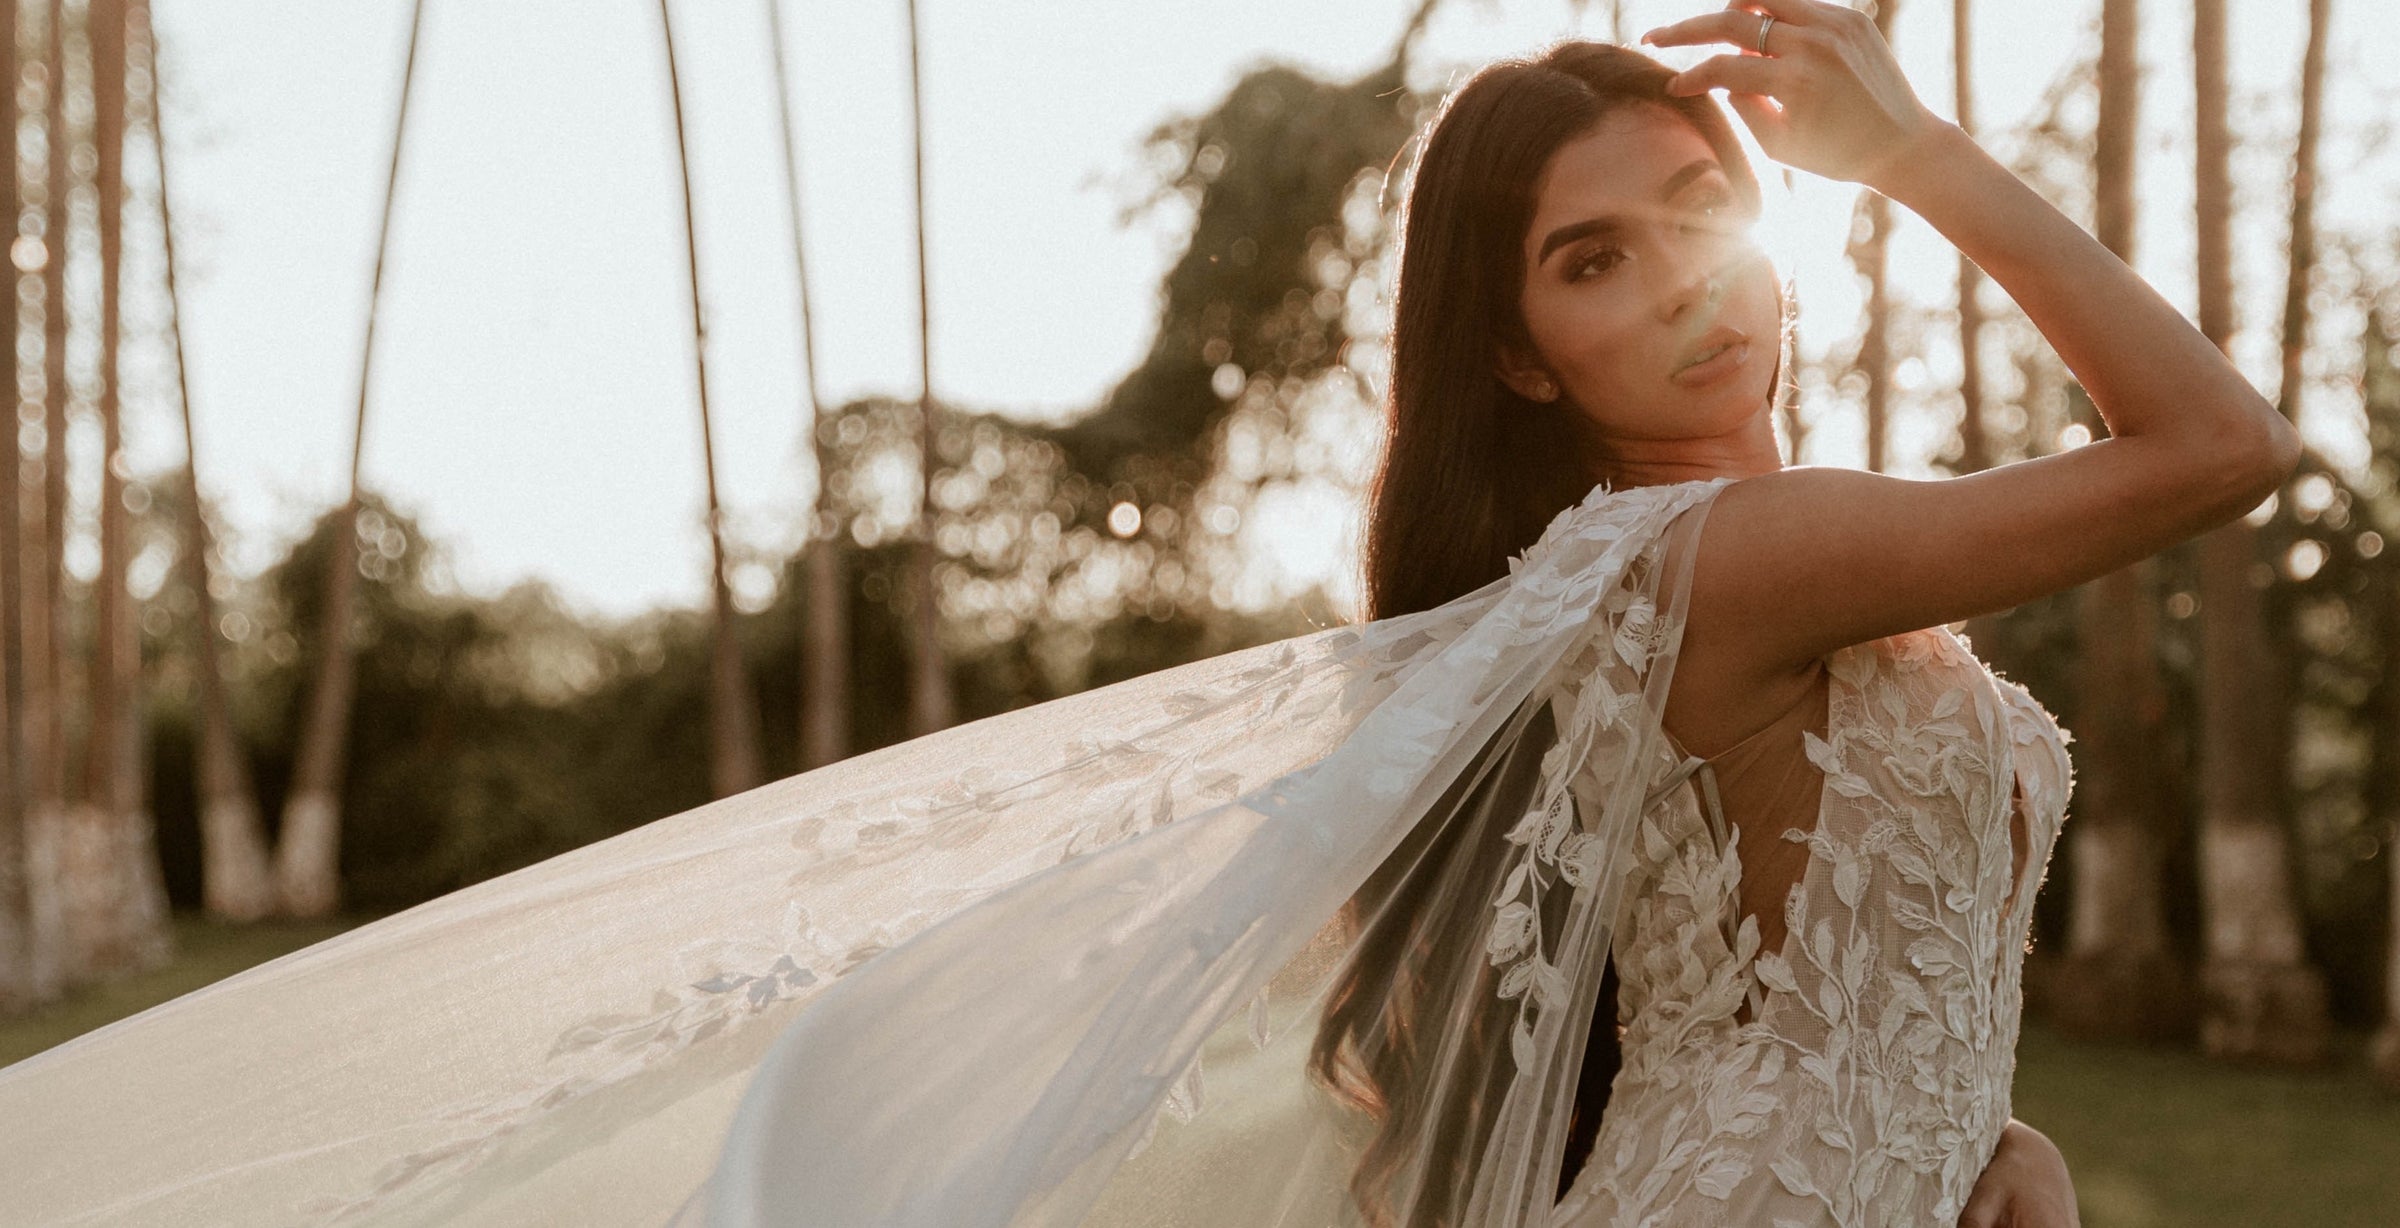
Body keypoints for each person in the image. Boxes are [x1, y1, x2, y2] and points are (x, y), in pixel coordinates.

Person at [0, 4, 2287, 1226]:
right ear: (1519, 354)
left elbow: (1815, 1002)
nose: (1681, 274)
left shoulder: (1683, 573)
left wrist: (1984, 1133)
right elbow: (2214, 449)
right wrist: (1926, 161)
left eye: (1706, 205)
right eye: (1591, 256)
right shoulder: (1719, 554)